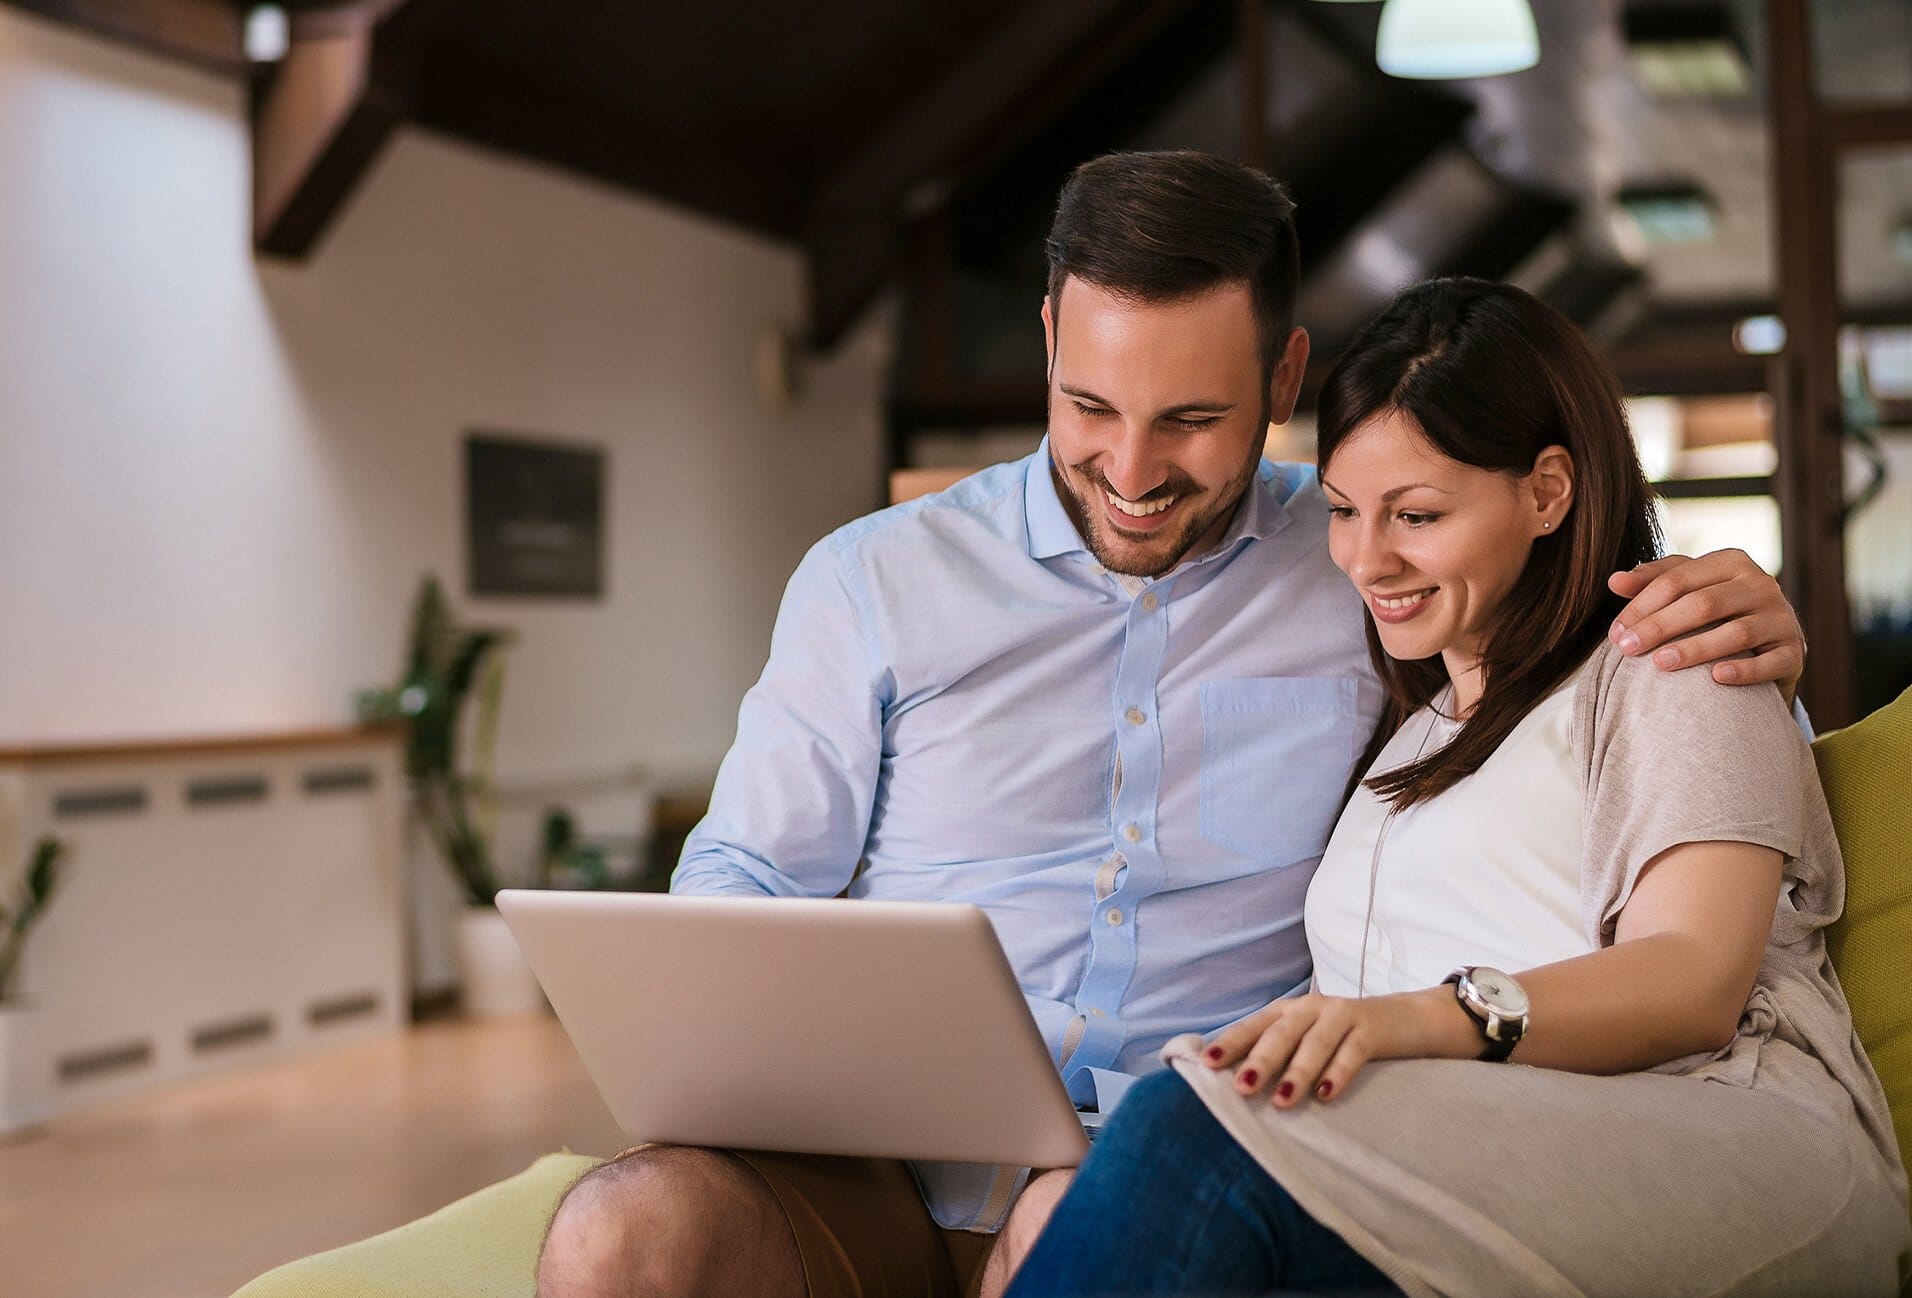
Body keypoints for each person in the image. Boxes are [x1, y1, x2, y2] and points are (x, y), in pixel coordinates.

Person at [535, 153, 1810, 1298]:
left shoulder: (1361, 558)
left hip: (1162, 1156)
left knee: (1076, 1210)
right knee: (620, 1233)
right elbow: (747, 872)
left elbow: (1553, 641)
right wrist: (715, 1040)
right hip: (869, 1162)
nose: (1134, 472)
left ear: (1285, 377)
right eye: (1090, 407)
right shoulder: (873, 581)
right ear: (1048, 338)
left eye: (1192, 420)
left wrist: (1735, 615)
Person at [1005, 278, 1912, 1298]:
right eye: (1343, 511)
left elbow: (1693, 980)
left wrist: (1420, 1020)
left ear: (1548, 491)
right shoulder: (1414, 732)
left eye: (1417, 514)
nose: (1366, 559)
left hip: (1718, 1136)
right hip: (1465, 1169)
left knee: (1190, 1120)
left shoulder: (1673, 657)